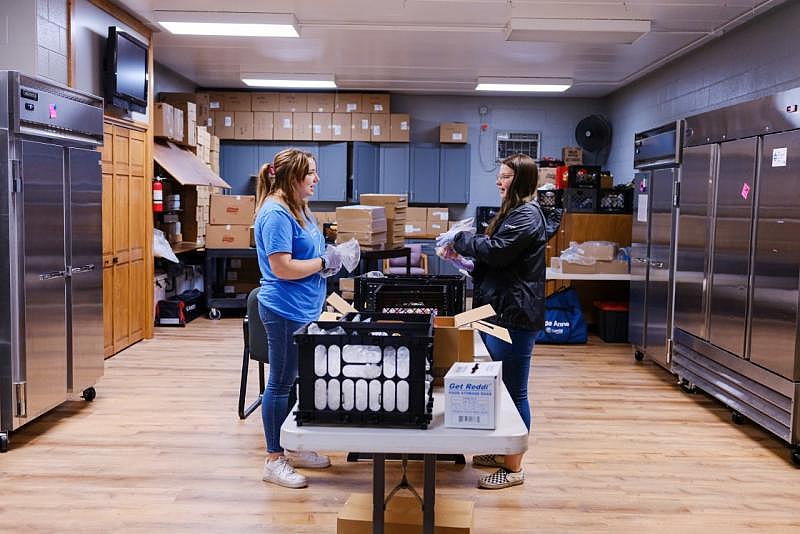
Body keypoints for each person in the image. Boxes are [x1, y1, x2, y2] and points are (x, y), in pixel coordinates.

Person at [449, 153, 560, 490]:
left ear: (522, 180)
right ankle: (502, 452)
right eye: (499, 176)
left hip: (515, 314)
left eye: (506, 176)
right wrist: (467, 262)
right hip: (496, 310)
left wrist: (460, 241)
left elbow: (497, 250)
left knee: (515, 391)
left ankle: (514, 468)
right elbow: (501, 262)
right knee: (499, 385)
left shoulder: (527, 214)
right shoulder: (515, 212)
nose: (499, 181)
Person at [254, 148, 343, 488]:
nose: (317, 179)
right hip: (284, 310)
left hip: (305, 307)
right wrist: (324, 263)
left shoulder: (300, 208)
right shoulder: (276, 213)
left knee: (296, 380)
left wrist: (331, 256)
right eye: (311, 174)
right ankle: (274, 459)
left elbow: (313, 252)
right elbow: (282, 267)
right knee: (279, 384)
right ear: (293, 178)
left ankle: (295, 445)